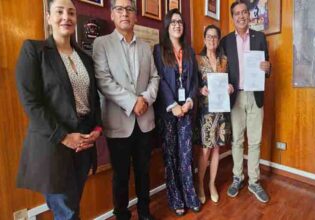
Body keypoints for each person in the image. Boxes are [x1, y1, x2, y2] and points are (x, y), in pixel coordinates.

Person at [15, 0, 102, 219]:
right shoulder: (34, 50)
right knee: (67, 211)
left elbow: (94, 99)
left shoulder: (85, 58)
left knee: (71, 206)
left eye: (71, 12)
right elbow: (31, 103)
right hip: (54, 143)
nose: (67, 17)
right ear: (48, 17)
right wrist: (64, 136)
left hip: (83, 142)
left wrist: (97, 130)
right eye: (60, 11)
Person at [92, 0, 160, 219]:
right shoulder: (101, 44)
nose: (125, 13)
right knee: (120, 175)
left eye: (129, 9)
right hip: (118, 122)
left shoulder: (145, 47)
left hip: (145, 120)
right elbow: (103, 81)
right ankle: (121, 214)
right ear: (112, 14)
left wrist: (145, 99)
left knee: (144, 171)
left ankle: (144, 211)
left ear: (136, 16)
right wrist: (133, 102)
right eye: (119, 9)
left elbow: (155, 77)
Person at [220, 1, 271, 203]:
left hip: (255, 95)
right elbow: (216, 66)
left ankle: (254, 181)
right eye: (237, 13)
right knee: (237, 140)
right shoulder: (225, 41)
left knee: (255, 140)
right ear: (233, 18)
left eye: (244, 12)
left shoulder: (260, 38)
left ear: (249, 16)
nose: (241, 16)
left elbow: (267, 66)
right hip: (235, 96)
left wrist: (268, 67)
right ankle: (237, 178)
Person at [153, 9, 200, 216]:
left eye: (180, 21)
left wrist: (189, 101)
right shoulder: (158, 50)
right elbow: (159, 80)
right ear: (166, 26)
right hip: (168, 112)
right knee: (171, 156)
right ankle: (175, 197)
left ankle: (190, 195)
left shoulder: (189, 51)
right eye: (173, 22)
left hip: (187, 110)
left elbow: (195, 80)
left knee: (186, 155)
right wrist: (173, 105)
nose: (177, 24)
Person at [196, 25, 234, 204]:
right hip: (206, 112)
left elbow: (230, 82)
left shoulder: (224, 60)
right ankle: (200, 185)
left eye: (215, 37)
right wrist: (199, 89)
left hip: (221, 110)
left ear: (218, 40)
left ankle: (211, 184)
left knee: (217, 148)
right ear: (204, 39)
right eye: (209, 36)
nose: (212, 40)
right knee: (205, 150)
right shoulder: (197, 60)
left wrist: (230, 87)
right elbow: (191, 86)